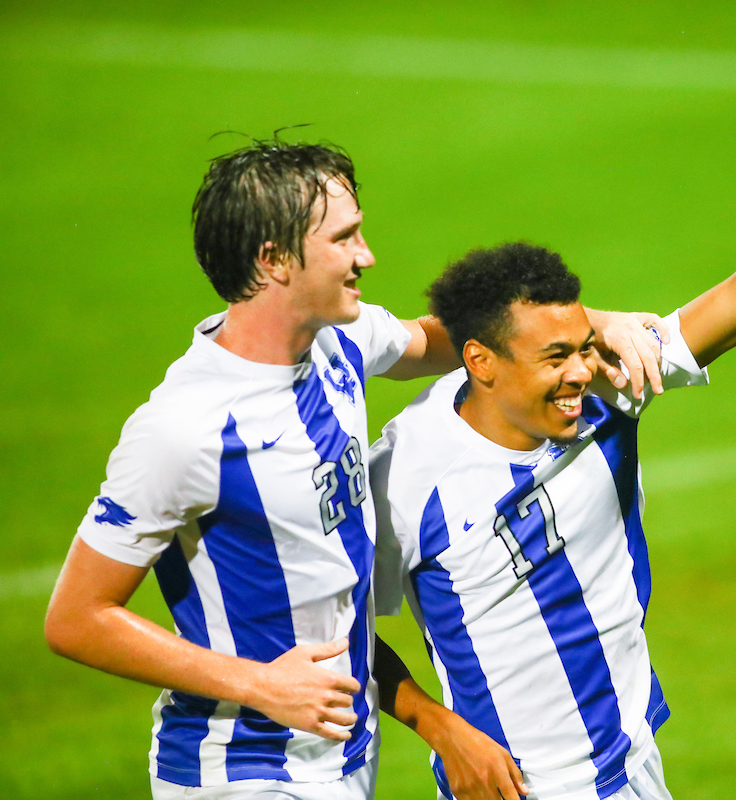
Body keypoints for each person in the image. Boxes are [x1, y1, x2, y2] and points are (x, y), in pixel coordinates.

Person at [370, 54, 736, 800]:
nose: (580, 371)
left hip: (635, 767)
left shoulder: (612, 386)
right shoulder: (407, 472)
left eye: (583, 344)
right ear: (480, 362)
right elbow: (326, 626)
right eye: (556, 357)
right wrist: (438, 727)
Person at [43, 140, 665, 800]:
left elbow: (452, 340)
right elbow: (77, 619)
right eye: (345, 239)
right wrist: (258, 684)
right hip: (245, 770)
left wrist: (595, 324)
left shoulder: (340, 340)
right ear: (273, 260)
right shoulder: (183, 430)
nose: (366, 255)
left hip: (341, 756)